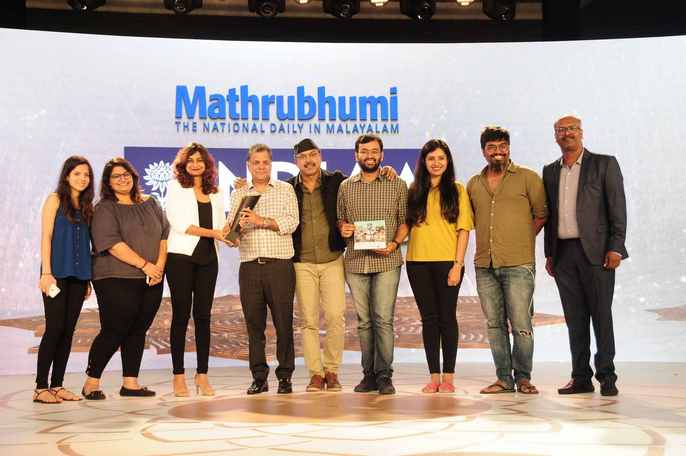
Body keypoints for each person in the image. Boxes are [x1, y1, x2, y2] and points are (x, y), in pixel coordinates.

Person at [543, 115, 627, 397]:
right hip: (563, 255)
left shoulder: (604, 164)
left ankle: (607, 376)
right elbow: (550, 215)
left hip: (597, 253)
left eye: (572, 129)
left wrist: (616, 247)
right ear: (555, 136)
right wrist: (550, 254)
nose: (567, 134)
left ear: (581, 133)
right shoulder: (550, 171)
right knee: (574, 319)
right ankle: (580, 377)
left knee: (601, 315)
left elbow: (617, 208)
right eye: (561, 130)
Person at [467, 126, 547, 395]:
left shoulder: (528, 178)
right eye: (491, 147)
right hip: (484, 265)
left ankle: (523, 378)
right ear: (484, 151)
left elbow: (541, 214)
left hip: (519, 264)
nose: (498, 152)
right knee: (494, 325)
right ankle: (504, 379)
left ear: (509, 148)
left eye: (502, 146)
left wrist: (522, 237)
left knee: (522, 324)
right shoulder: (474, 184)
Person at [82, 157, 169, 400]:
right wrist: (146, 265)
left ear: (133, 176)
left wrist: (158, 268)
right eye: (116, 176)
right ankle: (91, 382)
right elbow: (111, 243)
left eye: (126, 174)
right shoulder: (104, 208)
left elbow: (164, 235)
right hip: (114, 276)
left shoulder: (151, 202)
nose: (123, 179)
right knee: (115, 329)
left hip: (151, 277)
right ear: (108, 182)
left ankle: (130, 383)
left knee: (138, 329)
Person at [337, 134, 408, 395]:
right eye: (364, 151)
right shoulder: (345, 187)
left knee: (383, 320)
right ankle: (368, 375)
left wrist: (394, 244)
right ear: (356, 155)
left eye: (374, 151)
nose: (370, 156)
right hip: (356, 262)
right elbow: (340, 220)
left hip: (388, 260)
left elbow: (405, 221)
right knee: (364, 322)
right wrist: (343, 228)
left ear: (382, 155)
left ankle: (384, 375)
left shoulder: (397, 184)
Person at [226, 144, 299, 395]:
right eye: (255, 162)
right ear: (248, 165)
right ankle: (259, 377)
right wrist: (231, 236)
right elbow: (231, 229)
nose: (260, 166)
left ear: (271, 164)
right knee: (254, 326)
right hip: (249, 267)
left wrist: (261, 221)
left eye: (265, 162)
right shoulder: (238, 193)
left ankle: (285, 377)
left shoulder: (285, 189)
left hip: (279, 265)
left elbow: (292, 222)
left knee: (284, 324)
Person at [406, 140, 473, 393]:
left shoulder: (457, 190)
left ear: (448, 161)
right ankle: (434, 376)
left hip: (448, 262)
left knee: (447, 318)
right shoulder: (414, 190)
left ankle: (449, 378)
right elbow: (405, 226)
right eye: (431, 158)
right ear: (424, 162)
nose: (436, 163)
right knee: (429, 320)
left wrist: (458, 265)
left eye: (441, 158)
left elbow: (464, 230)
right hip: (417, 263)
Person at [165, 143, 227, 397]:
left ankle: (202, 375)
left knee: (203, 317)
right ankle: (178, 376)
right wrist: (215, 233)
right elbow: (178, 223)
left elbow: (223, 226)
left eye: (200, 160)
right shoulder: (175, 187)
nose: (195, 164)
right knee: (181, 316)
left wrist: (230, 235)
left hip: (209, 259)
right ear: (183, 164)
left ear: (207, 164)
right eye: (190, 160)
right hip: (180, 257)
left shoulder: (217, 191)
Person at [34, 156, 95, 404]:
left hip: (79, 275)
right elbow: (46, 237)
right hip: (56, 273)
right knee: (54, 328)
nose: (82, 178)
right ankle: (41, 387)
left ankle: (57, 385)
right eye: (77, 173)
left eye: (86, 174)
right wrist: (46, 273)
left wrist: (87, 279)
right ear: (67, 176)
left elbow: (87, 244)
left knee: (68, 331)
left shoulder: (88, 206)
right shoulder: (55, 200)